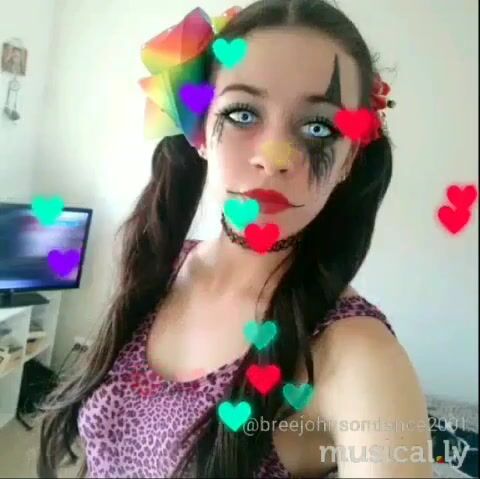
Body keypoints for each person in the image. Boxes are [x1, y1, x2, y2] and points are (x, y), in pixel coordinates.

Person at [37, 0, 433, 477]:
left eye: (318, 126)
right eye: (243, 114)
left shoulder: (357, 355)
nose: (274, 156)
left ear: (350, 159)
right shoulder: (161, 266)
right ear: (201, 130)